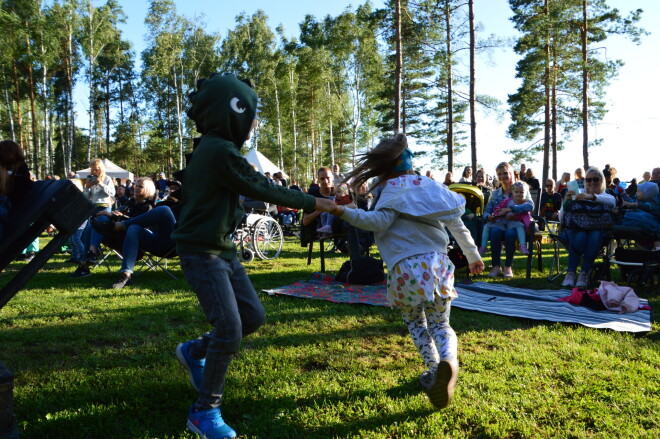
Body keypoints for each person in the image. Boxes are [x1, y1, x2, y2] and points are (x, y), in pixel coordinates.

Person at [170, 73, 335, 439]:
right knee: (229, 328)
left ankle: (194, 351)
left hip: (223, 251)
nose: (254, 122)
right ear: (232, 111)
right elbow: (259, 185)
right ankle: (204, 411)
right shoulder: (217, 150)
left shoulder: (216, 148)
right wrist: (316, 201)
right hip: (202, 253)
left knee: (252, 317)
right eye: (250, 112)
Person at [328, 133, 484, 409]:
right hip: (438, 265)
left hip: (406, 270)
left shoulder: (391, 191)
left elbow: (377, 222)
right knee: (441, 324)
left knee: (416, 323)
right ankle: (449, 360)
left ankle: (435, 370)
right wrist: (472, 255)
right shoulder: (430, 186)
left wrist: (345, 212)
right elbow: (457, 223)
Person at [560, 167, 616, 288]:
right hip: (573, 231)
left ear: (602, 181)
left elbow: (613, 202)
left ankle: (583, 273)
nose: (592, 182)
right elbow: (562, 219)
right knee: (581, 234)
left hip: (597, 232)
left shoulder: (607, 196)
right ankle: (571, 272)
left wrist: (592, 197)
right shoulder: (577, 193)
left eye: (596, 179)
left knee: (595, 234)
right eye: (588, 180)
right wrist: (566, 201)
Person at [483, 162, 534, 278]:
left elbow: (530, 206)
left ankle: (508, 266)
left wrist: (512, 210)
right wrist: (488, 217)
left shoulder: (521, 189)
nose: (503, 176)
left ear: (511, 173)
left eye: (505, 173)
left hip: (515, 224)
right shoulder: (495, 194)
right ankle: (496, 266)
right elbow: (486, 210)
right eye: (499, 174)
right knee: (495, 232)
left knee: (511, 234)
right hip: (499, 223)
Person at [479, 181, 532, 257]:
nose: (519, 194)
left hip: (514, 223)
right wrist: (494, 215)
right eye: (516, 192)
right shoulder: (508, 201)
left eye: (521, 192)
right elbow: (499, 208)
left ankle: (522, 245)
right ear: (512, 193)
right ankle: (483, 246)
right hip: (502, 222)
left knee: (520, 226)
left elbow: (525, 216)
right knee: (486, 226)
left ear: (525, 193)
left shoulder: (525, 204)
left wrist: (514, 216)